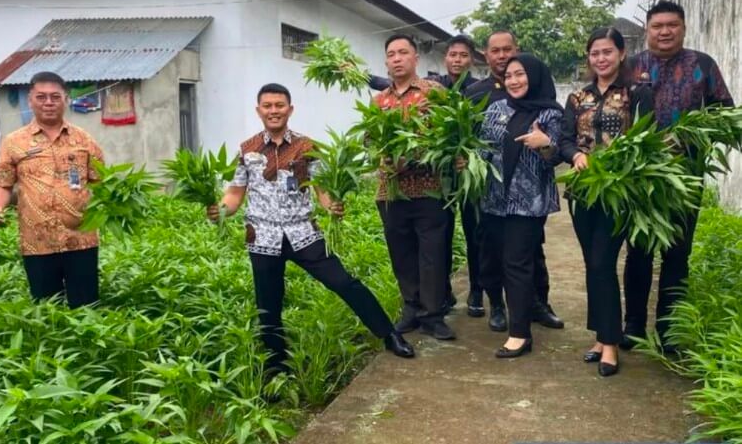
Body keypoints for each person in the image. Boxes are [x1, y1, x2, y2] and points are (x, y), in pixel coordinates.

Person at [207, 83, 414, 374]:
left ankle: (389, 334)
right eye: (268, 106)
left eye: (279, 105)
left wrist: (331, 206)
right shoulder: (247, 149)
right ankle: (276, 367)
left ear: (290, 109)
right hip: (263, 237)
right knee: (268, 304)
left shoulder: (306, 147)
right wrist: (220, 211)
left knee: (344, 282)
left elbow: (321, 188)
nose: (274, 111)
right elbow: (234, 193)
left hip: (304, 234)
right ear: (259, 110)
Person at [622, 1, 735, 352]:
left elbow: (724, 113)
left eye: (672, 25)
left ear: (684, 28)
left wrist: (688, 135)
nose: (665, 32)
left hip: (685, 178)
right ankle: (633, 325)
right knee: (638, 251)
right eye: (658, 26)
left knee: (677, 254)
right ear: (647, 29)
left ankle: (669, 331)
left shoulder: (702, 65)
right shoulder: (631, 67)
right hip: (639, 177)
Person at [560, 27, 654, 376]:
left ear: (621, 54)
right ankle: (601, 336)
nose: (601, 59)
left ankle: (610, 344)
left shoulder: (637, 93)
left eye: (607, 52)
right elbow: (565, 139)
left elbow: (647, 138)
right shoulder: (578, 97)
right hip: (583, 192)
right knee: (592, 264)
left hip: (618, 194)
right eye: (595, 53)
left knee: (602, 261)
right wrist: (575, 156)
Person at [369, 34, 479, 315]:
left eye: (403, 53)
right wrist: (382, 157)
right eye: (391, 54)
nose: (397, 59)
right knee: (402, 254)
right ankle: (411, 309)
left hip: (430, 188)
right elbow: (370, 141)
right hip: (391, 191)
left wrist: (414, 157)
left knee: (433, 256)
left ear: (415, 58)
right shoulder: (379, 101)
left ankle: (433, 314)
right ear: (386, 62)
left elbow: (450, 135)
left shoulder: (436, 93)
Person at [465, 31, 565, 332]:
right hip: (494, 198)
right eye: (509, 76)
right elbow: (480, 147)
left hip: (529, 202)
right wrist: (466, 160)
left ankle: (529, 316)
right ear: (486, 55)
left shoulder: (549, 112)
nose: (513, 80)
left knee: (524, 260)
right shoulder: (493, 107)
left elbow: (556, 156)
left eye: (519, 74)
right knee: (495, 257)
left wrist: (545, 144)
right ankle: (499, 307)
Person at [0, 71, 104, 308]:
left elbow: (102, 184)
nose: (48, 102)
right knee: (46, 310)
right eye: (41, 97)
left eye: (55, 97)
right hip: (37, 242)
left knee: (87, 308)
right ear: (30, 100)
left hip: (81, 239)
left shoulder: (85, 140)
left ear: (66, 99)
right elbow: (3, 184)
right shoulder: (13, 142)